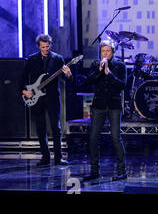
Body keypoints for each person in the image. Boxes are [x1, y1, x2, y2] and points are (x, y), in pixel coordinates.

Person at [20, 34, 72, 166]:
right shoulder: (32, 59)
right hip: (37, 98)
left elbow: (66, 80)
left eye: (47, 47)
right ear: (38, 46)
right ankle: (45, 157)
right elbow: (22, 79)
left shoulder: (58, 59)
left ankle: (58, 158)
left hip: (53, 97)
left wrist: (68, 74)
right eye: (43, 47)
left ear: (50, 45)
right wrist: (25, 91)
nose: (45, 49)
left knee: (56, 127)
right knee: (40, 127)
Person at [84, 40, 127, 181]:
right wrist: (100, 71)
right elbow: (89, 81)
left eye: (108, 51)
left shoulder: (120, 66)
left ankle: (122, 171)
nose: (105, 53)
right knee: (93, 139)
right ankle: (94, 171)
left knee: (116, 138)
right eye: (103, 51)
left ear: (112, 52)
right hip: (98, 106)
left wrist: (109, 73)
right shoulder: (96, 65)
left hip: (114, 106)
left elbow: (122, 85)